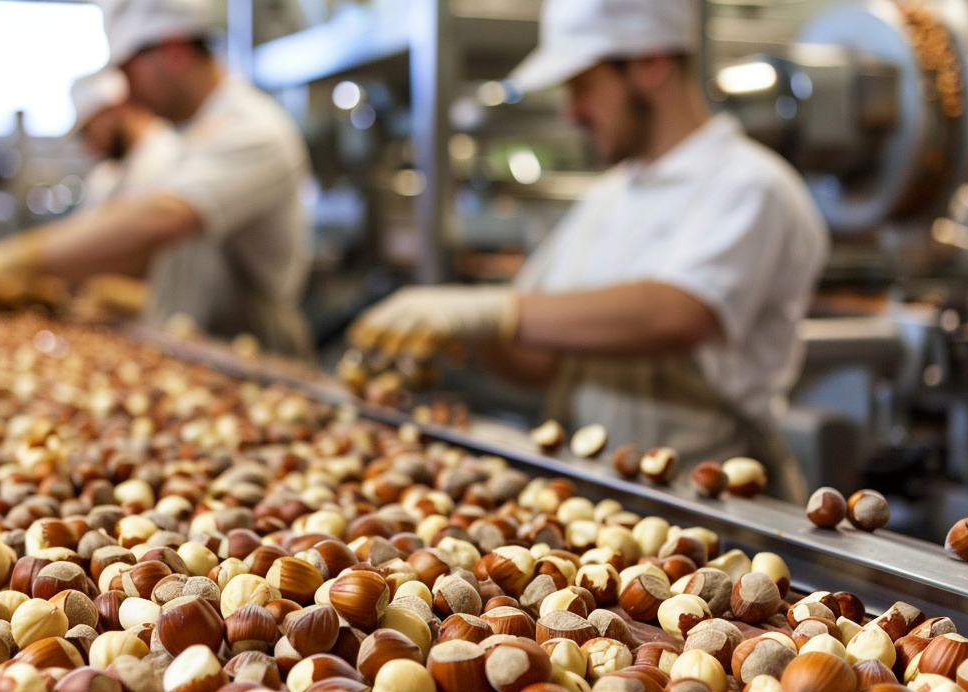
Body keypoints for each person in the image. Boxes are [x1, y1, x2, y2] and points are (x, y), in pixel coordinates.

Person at [351, 0, 829, 501]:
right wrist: (463, 338)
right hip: (598, 492)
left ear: (650, 64)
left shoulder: (750, 185)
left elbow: (675, 314)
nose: (571, 111)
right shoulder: (606, 198)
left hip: (712, 503)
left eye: (582, 85)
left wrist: (486, 309)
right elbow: (541, 363)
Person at [0, 0, 315, 358]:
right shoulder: (191, 135)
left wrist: (14, 258)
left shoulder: (253, 128)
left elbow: (164, 217)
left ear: (174, 51)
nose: (128, 92)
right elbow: (147, 245)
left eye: (129, 72)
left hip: (257, 356)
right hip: (202, 348)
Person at [71, 67, 181, 210]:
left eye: (88, 130)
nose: (88, 146)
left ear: (116, 109)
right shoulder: (107, 175)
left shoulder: (171, 154)